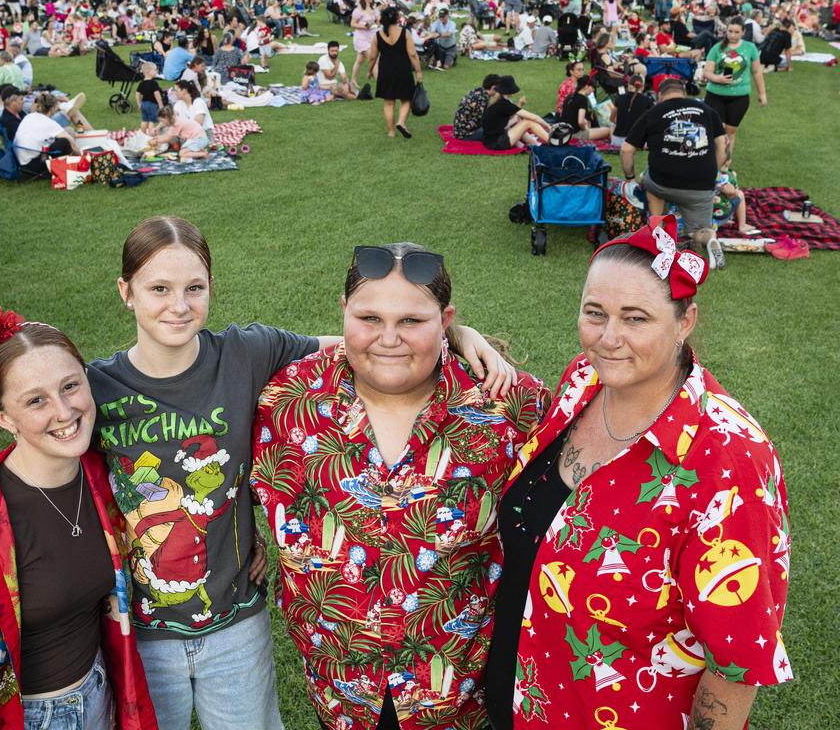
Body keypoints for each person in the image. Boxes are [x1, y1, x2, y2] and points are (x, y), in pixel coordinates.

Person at [0, 216, 513, 730]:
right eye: (158, 288)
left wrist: (454, 334)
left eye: (193, 287)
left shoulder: (249, 353)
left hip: (237, 624)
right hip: (140, 632)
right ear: (125, 292)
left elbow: (363, 340)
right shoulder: (91, 391)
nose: (178, 304)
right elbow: (28, 460)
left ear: (210, 289)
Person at [484, 216, 792, 729]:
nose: (608, 338)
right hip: (518, 696)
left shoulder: (728, 461)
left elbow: (735, 659)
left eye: (635, 318)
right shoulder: (583, 381)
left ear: (686, 320)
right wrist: (461, 333)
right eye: (594, 313)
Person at [252, 242, 548, 730]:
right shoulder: (283, 398)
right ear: (343, 312)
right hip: (341, 693)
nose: (389, 338)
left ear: (445, 319)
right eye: (370, 318)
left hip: (459, 696)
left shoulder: (508, 406)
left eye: (412, 321)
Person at [0, 317, 158, 729]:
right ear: (2, 417)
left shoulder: (103, 472)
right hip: (26, 716)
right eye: (35, 401)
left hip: (104, 694)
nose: (64, 412)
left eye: (70, 386)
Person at [620, 78, 728, 253]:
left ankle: (659, 232)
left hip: (662, 182)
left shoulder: (653, 113)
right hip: (701, 186)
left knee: (648, 181)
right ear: (684, 93)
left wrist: (630, 178)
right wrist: (711, 171)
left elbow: (626, 149)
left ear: (659, 95)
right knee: (697, 231)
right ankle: (709, 239)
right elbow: (723, 144)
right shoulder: (707, 111)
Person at [703, 17, 766, 149]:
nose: (732, 35)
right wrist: (718, 78)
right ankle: (715, 162)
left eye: (736, 32)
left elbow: (756, 72)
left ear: (743, 32)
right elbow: (707, 72)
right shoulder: (717, 48)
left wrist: (762, 94)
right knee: (717, 131)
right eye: (730, 31)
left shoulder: (750, 47)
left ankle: (726, 163)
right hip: (715, 94)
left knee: (731, 132)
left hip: (739, 97)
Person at [366, 7, 423, 139]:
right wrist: (418, 72)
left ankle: (391, 131)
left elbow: (372, 57)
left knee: (388, 102)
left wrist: (369, 71)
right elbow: (413, 54)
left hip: (386, 70)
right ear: (397, 18)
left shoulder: (377, 35)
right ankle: (401, 122)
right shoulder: (405, 33)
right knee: (406, 98)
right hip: (403, 69)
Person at [13, 92, 80, 174]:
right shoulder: (49, 123)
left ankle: (70, 161)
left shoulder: (29, 116)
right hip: (33, 165)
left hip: (21, 162)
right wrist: (82, 157)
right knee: (64, 142)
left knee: (66, 132)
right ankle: (70, 165)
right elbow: (71, 143)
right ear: (52, 109)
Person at [483, 75, 551, 150]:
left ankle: (536, 144)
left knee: (520, 121)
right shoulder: (503, 104)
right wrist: (548, 125)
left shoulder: (494, 101)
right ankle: (552, 142)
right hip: (497, 143)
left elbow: (504, 124)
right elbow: (533, 117)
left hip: (491, 140)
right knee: (528, 122)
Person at [560, 75, 611, 141]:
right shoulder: (582, 99)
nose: (593, 90)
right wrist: (585, 129)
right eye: (592, 88)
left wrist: (585, 123)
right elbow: (580, 122)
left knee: (587, 123)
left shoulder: (570, 96)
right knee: (607, 130)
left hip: (564, 131)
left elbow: (570, 114)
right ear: (586, 86)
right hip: (575, 134)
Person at [610, 74, 653, 149]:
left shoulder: (620, 98)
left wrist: (620, 121)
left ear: (629, 85)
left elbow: (611, 119)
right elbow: (653, 120)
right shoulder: (647, 100)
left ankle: (613, 142)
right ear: (642, 87)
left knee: (612, 125)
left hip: (618, 141)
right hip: (637, 142)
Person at [453, 73, 501, 141]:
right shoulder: (483, 100)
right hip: (465, 135)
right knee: (499, 130)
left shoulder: (477, 90)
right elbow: (488, 121)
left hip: (458, 130)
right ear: (493, 87)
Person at [351, 0, 380, 84]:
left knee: (359, 60)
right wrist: (364, 26)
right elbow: (352, 23)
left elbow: (377, 21)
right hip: (361, 38)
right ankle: (380, 84)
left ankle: (353, 80)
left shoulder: (373, 8)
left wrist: (378, 19)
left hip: (371, 38)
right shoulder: (359, 10)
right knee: (374, 58)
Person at [136, 61, 164, 136]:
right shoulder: (153, 83)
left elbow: (138, 93)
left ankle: (142, 134)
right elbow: (156, 94)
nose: (156, 71)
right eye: (155, 70)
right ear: (149, 72)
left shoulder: (141, 83)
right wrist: (160, 104)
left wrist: (139, 103)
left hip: (144, 104)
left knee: (144, 120)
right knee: (152, 120)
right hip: (152, 104)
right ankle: (151, 135)